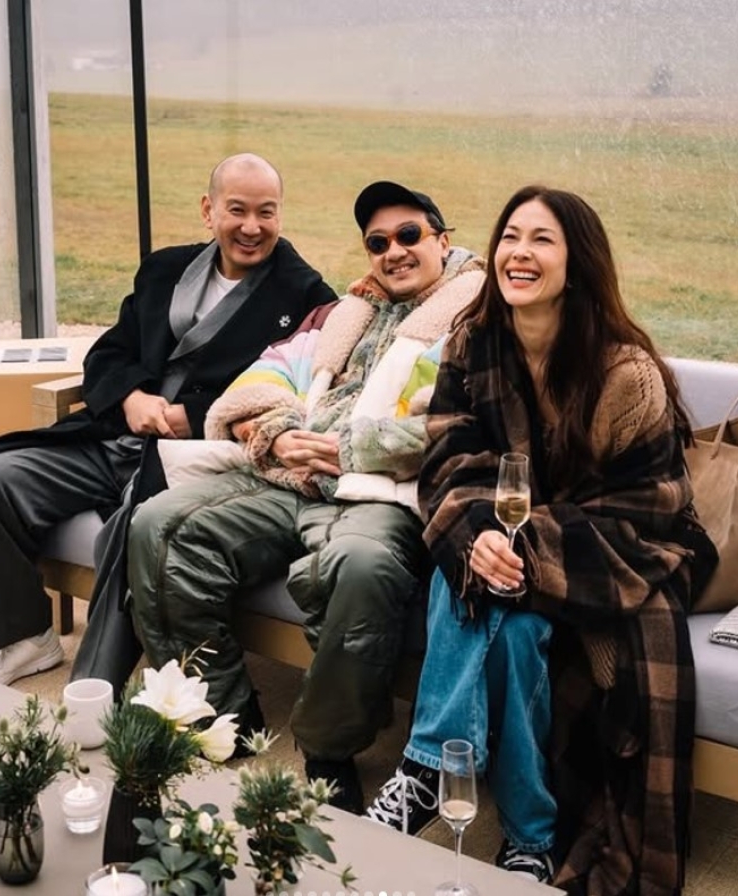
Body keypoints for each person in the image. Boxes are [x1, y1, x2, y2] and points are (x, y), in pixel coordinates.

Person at [365, 185, 717, 893]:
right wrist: (479, 538)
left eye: (541, 240)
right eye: (510, 236)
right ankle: (529, 835)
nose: (518, 253)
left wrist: (524, 543)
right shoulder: (473, 342)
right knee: (492, 600)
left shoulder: (625, 373)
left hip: (621, 551)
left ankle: (427, 769)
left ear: (577, 262)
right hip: (516, 538)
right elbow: (449, 459)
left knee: (482, 586)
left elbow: (648, 508)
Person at [126, 180, 486, 811]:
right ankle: (219, 714)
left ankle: (327, 749)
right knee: (160, 524)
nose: (394, 251)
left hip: (379, 491)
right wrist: (277, 426)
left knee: (362, 566)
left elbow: (459, 424)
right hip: (291, 476)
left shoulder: (473, 322)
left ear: (443, 240)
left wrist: (353, 448)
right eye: (378, 242)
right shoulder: (347, 311)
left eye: (409, 235)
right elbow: (271, 371)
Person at [0, 153, 337, 700]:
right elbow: (109, 353)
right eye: (237, 210)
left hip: (196, 458)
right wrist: (130, 397)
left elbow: (296, 393)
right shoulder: (164, 270)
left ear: (280, 215)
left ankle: (94, 686)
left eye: (266, 212)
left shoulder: (306, 296)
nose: (252, 226)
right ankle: (25, 638)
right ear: (209, 210)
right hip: (114, 437)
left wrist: (192, 417)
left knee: (135, 524)